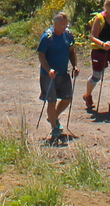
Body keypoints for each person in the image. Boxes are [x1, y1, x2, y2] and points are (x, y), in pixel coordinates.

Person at [36, 10, 80, 142]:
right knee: (52, 101)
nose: (65, 27)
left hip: (63, 73)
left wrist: (74, 66)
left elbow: (71, 51)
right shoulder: (47, 37)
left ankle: (53, 117)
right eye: (62, 24)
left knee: (67, 98)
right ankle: (55, 128)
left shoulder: (68, 35)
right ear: (55, 24)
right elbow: (41, 55)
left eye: (66, 24)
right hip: (49, 75)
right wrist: (48, 70)